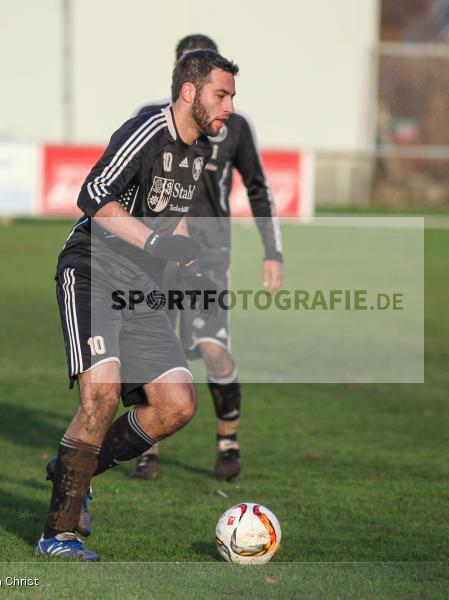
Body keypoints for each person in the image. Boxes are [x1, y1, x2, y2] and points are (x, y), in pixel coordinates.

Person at [36, 49, 239, 561]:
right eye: (222, 94)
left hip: (141, 286)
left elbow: (173, 219)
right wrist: (154, 244)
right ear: (190, 92)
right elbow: (95, 194)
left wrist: (191, 258)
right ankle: (57, 533)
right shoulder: (147, 130)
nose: (230, 107)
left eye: (232, 96)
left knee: (177, 405)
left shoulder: (198, 151)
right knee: (100, 399)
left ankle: (72, 470)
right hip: (92, 271)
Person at [128, 34, 283, 483]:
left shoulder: (234, 126)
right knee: (151, 354)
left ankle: (228, 443)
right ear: (182, 78)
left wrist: (272, 252)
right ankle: (147, 449)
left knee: (214, 351)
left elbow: (258, 186)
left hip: (209, 257)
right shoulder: (149, 121)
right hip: (154, 256)